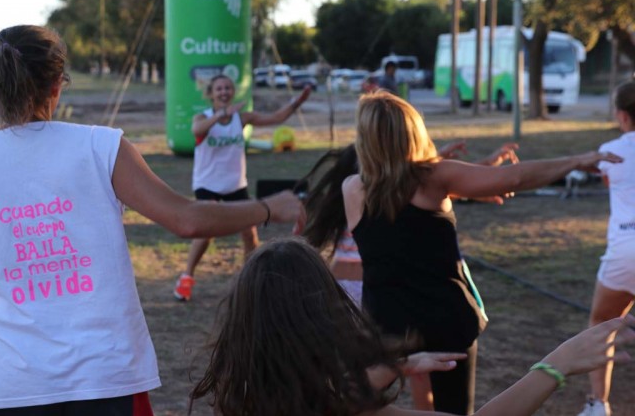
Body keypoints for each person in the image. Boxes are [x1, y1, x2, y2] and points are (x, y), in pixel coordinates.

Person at [0, 25, 303, 415]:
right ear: (58, 84)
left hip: (3, 388)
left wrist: (12, 274)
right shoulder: (101, 146)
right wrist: (269, 207)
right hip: (105, 378)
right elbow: (186, 220)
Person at [342, 91, 622, 415]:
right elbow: (514, 177)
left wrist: (464, 183)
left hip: (388, 323)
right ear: (412, 132)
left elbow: (397, 206)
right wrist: (575, 161)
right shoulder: (435, 178)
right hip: (444, 319)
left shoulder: (352, 188)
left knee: (367, 407)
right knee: (455, 409)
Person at [189, 238, 635, 416]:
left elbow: (327, 393)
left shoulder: (240, 400)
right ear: (322, 317)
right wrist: (556, 364)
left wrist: (397, 366)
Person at [300, 141, 518, 411]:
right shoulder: (382, 199)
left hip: (348, 300)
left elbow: (427, 185)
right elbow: (425, 187)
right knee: (417, 369)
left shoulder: (351, 197)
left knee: (377, 381)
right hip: (377, 298)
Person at [173, 74, 311, 301]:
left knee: (249, 233)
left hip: (235, 185)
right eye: (219, 89)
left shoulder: (242, 117)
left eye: (228, 88)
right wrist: (221, 115)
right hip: (208, 184)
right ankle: (186, 278)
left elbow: (276, 118)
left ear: (233, 92)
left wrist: (298, 102)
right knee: (206, 233)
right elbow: (197, 130)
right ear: (211, 94)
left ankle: (251, 280)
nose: (224, 92)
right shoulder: (203, 117)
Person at [577, 81, 635, 416]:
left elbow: (608, 179)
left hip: (625, 248)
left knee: (602, 323)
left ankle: (599, 404)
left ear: (623, 115)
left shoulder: (610, 150)